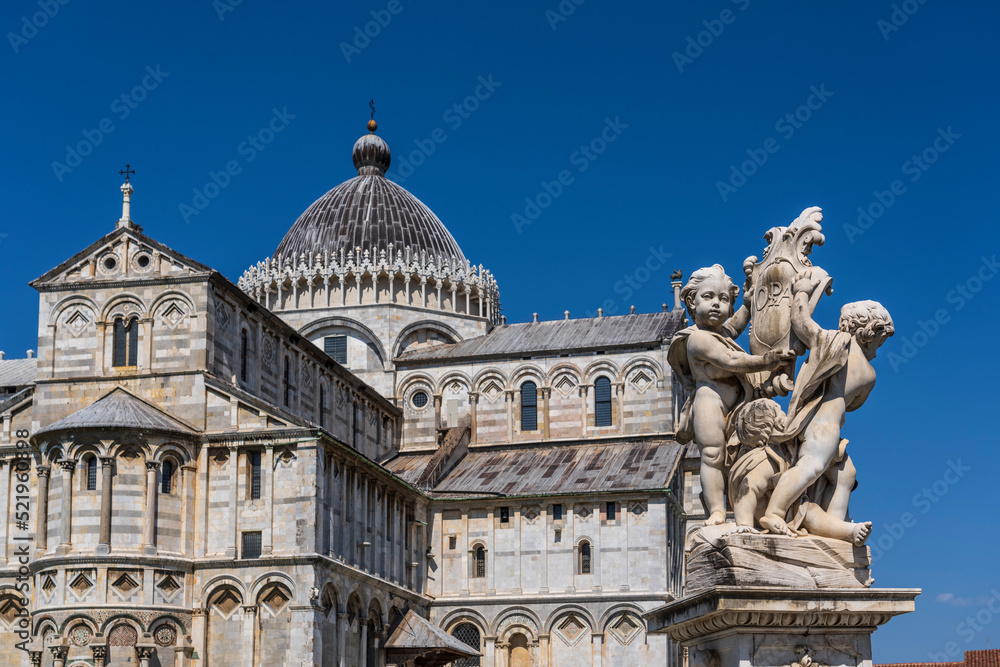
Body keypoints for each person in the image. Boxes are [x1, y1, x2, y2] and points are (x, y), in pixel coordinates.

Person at [759, 269, 893, 537]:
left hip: (823, 424)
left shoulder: (830, 342)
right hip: (825, 425)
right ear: (870, 332)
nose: (878, 351)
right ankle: (774, 512)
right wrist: (802, 289)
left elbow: (802, 321)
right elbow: (853, 404)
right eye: (879, 342)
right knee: (811, 467)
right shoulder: (867, 373)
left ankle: (835, 528)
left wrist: (802, 292)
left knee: (846, 473)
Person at [668, 265, 794, 526]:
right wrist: (766, 361)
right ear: (691, 302)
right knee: (712, 456)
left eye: (723, 299)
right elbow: (731, 359)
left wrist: (747, 304)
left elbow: (735, 325)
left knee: (737, 456)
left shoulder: (720, 333)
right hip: (709, 400)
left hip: (737, 404)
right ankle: (716, 510)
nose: (716, 304)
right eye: (708, 297)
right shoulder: (697, 340)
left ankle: (745, 503)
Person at [729, 399, 871, 546]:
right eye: (779, 411)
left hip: (791, 509)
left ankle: (849, 531)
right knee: (810, 512)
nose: (786, 415)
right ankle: (848, 531)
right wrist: (744, 524)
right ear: (767, 423)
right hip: (767, 515)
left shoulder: (784, 452)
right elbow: (747, 489)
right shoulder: (766, 459)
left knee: (811, 511)